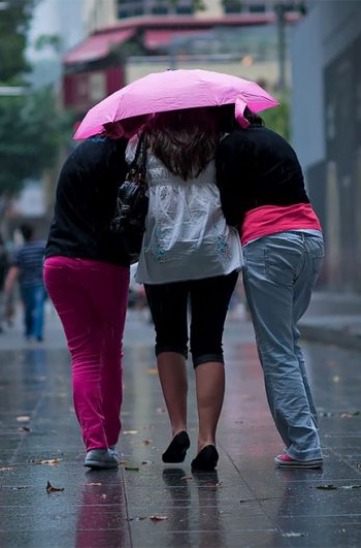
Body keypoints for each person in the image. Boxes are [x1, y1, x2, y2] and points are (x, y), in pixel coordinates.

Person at [133, 107, 243, 472]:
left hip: (164, 253)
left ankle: (179, 427)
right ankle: (207, 438)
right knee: (210, 342)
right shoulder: (219, 141)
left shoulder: (142, 142)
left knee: (169, 339)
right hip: (213, 251)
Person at [215, 109, 325, 469]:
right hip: (310, 237)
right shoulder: (278, 140)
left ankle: (305, 445)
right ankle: (307, 435)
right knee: (288, 342)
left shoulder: (230, 146)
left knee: (276, 348)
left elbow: (229, 206)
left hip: (270, 242)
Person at [43, 119, 143, 470]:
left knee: (83, 355)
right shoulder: (126, 161)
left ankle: (94, 443)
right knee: (109, 353)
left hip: (58, 263)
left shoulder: (77, 155)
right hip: (103, 264)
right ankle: (108, 441)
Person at [4, 224, 47, 342]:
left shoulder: (20, 250)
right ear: (32, 234)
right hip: (40, 283)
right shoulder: (41, 246)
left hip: (25, 284)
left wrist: (8, 283)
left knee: (28, 309)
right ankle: (38, 333)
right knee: (39, 307)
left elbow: (14, 269)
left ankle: (29, 331)